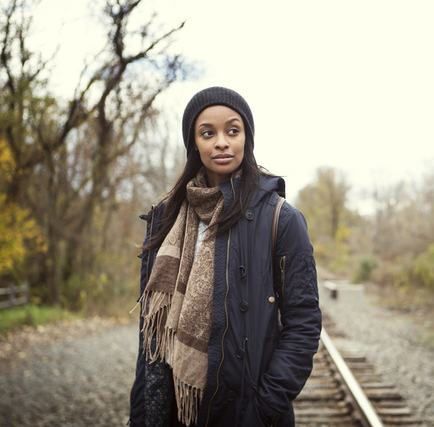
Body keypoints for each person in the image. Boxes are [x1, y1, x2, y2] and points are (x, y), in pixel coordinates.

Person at [129, 86, 322, 426]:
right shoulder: (167, 217)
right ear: (194, 143)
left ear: (246, 138)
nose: (221, 141)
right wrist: (144, 412)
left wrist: (262, 408)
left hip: (245, 413)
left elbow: (304, 325)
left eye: (232, 130)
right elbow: (151, 333)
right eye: (208, 133)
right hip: (172, 408)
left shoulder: (281, 219)